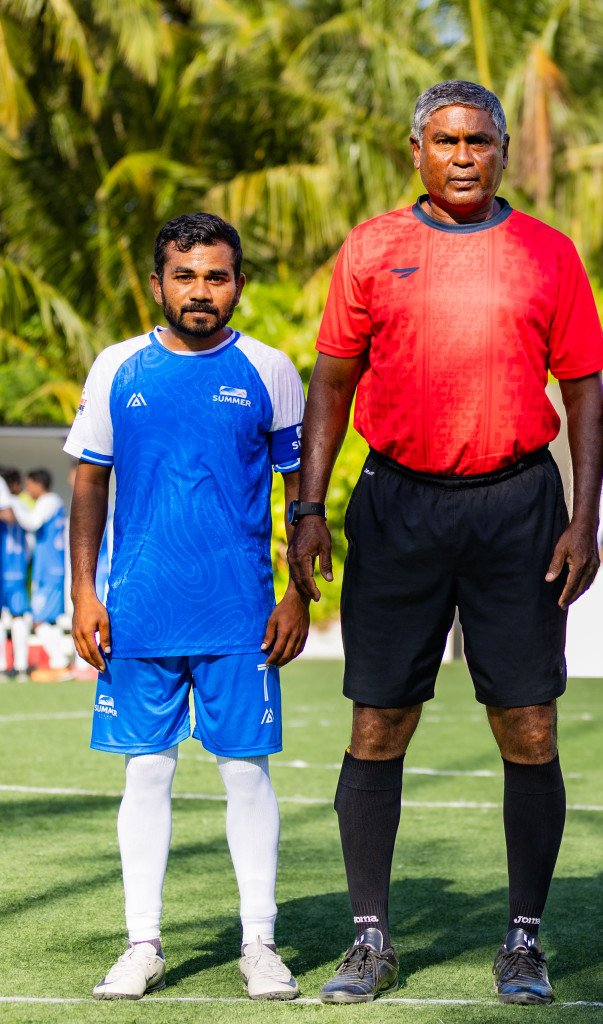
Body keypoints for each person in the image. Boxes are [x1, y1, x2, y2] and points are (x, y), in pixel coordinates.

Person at [287, 80, 603, 1005]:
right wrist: (308, 508)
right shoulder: (372, 248)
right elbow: (332, 384)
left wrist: (584, 518)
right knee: (379, 721)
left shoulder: (547, 252)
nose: (463, 156)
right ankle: (369, 939)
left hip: (518, 508)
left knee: (529, 725)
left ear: (502, 151)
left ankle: (524, 940)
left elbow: (584, 391)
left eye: (479, 141)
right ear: (417, 151)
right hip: (399, 507)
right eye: (446, 140)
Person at [65, 212, 310, 1000]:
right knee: (146, 773)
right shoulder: (117, 366)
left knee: (246, 773)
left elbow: (300, 492)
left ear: (238, 283)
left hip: (241, 613)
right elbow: (89, 481)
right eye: (185, 275)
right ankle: (143, 944)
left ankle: (259, 943)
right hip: (139, 611)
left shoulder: (271, 369)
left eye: (216, 276)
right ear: (157, 283)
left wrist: (296, 594)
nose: (200, 290)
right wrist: (83, 590)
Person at [15, 468, 68, 675]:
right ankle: (59, 663)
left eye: (29, 486)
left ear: (38, 484)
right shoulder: (56, 502)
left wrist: (12, 504)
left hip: (48, 570)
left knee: (37, 620)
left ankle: (60, 662)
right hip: (52, 568)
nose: (27, 490)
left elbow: (32, 522)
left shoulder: (47, 501)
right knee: (50, 620)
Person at [1, 467, 30, 676]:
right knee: (18, 616)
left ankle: (3, 667)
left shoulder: (8, 507)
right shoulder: (22, 505)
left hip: (5, 566)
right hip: (18, 567)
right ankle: (21, 667)